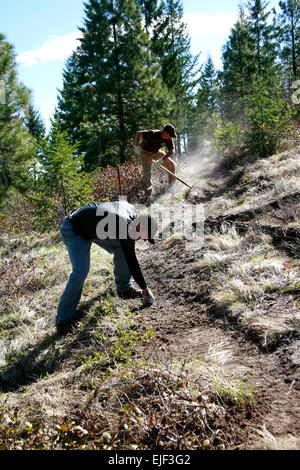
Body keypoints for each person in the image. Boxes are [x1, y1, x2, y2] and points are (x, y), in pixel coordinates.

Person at [56, 200, 158, 335]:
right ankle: (63, 320)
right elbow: (132, 261)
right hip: (74, 228)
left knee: (123, 247)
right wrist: (145, 289)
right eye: (145, 236)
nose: (144, 240)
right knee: (80, 272)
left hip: (92, 227)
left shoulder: (132, 213)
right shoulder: (124, 226)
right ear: (139, 227)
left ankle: (124, 288)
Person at [135, 124, 177, 196]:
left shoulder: (169, 139)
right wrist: (136, 147)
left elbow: (170, 152)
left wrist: (161, 160)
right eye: (169, 135)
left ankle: (171, 186)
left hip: (155, 152)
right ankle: (148, 195)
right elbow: (138, 133)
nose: (170, 138)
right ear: (165, 133)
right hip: (144, 152)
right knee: (147, 174)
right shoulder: (152, 133)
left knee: (171, 164)